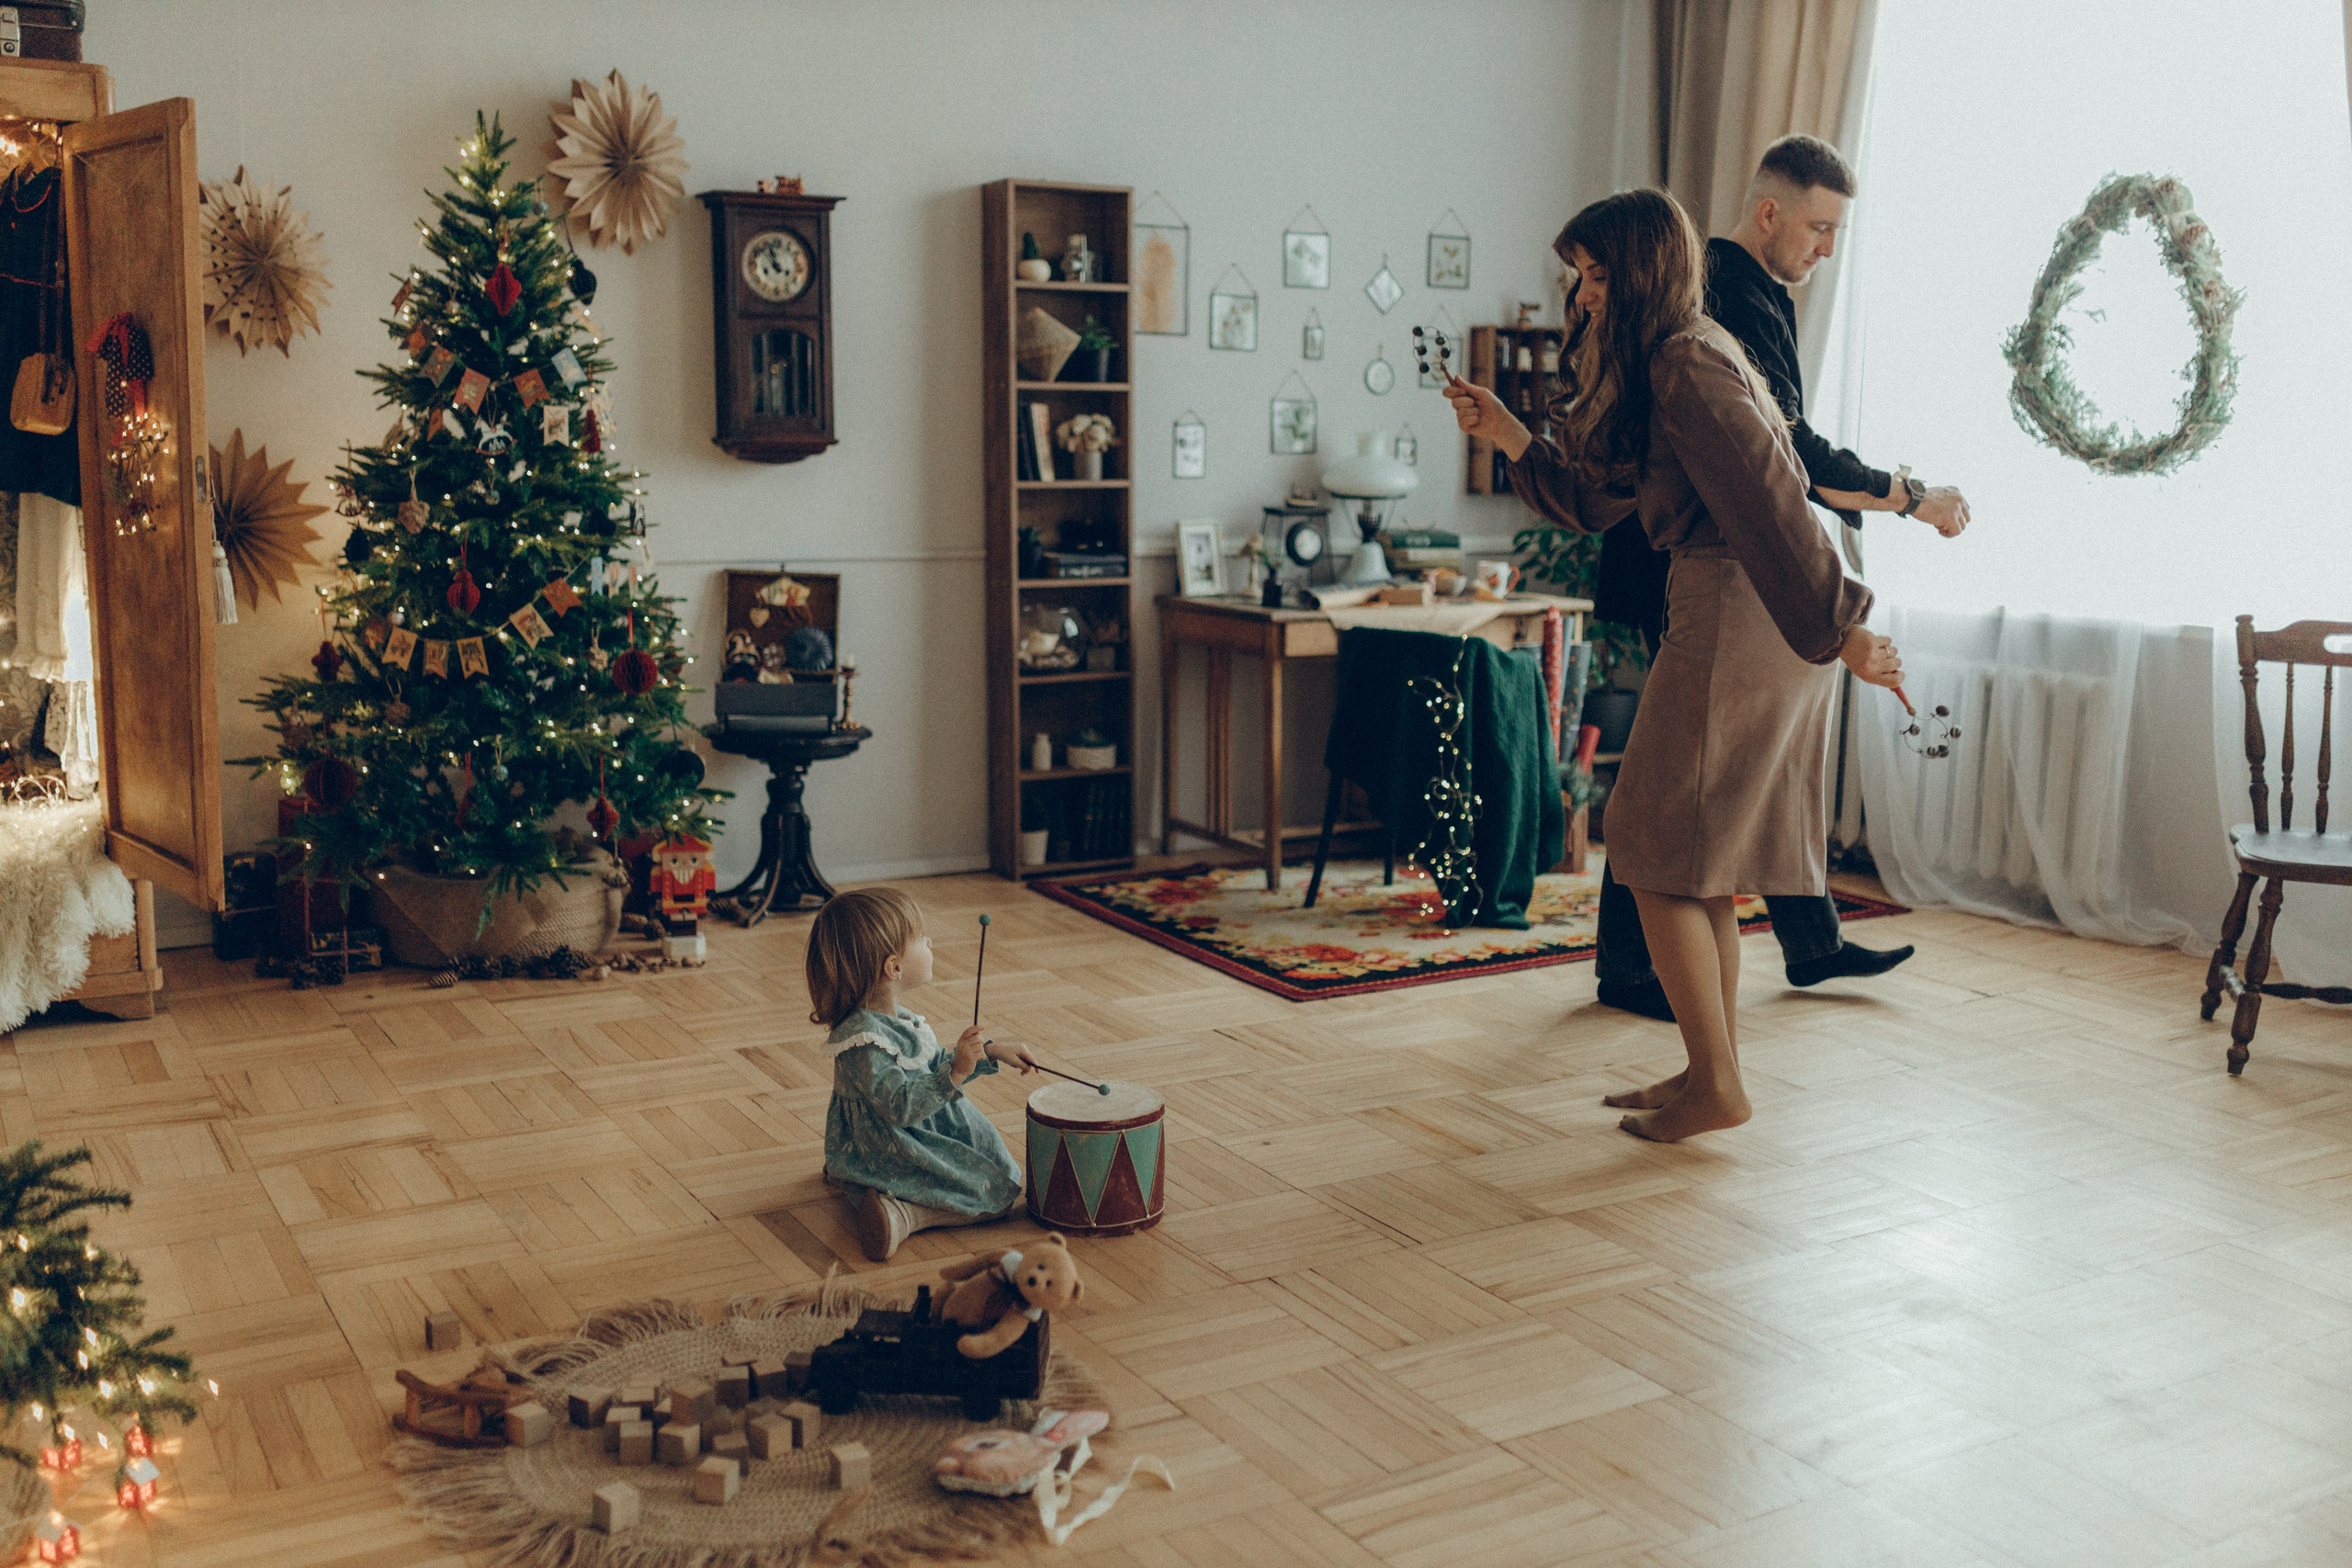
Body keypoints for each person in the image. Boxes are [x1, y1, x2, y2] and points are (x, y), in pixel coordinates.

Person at [1444, 188, 1903, 1142]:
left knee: (1649, 845)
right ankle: (1708, 1074)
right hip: (1744, 607)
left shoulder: (1688, 360)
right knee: (1692, 865)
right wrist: (1507, 435)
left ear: (1643, 271)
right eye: (1579, 275)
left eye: (1599, 274)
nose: (1583, 295)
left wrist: (1841, 627)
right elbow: (1600, 498)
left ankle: (1715, 1084)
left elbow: (1773, 501)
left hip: (1747, 609)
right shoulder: (1671, 363)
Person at [1589, 134, 1969, 1023]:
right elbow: (1783, 453)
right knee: (1672, 791)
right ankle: (1635, 970)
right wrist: (1908, 498)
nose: (1827, 249)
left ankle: (1807, 939)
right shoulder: (1728, 295)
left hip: (1728, 571)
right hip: (1697, 570)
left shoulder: (1753, 291)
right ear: (1769, 212)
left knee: (1737, 771)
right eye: (1819, 227)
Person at [807, 887, 1038, 1258]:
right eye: (919, 938)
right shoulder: (865, 1041)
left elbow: (928, 1068)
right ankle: (904, 1215)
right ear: (894, 967)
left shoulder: (894, 1019)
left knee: (993, 1171)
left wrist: (991, 1051)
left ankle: (854, 1166)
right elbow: (900, 1106)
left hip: (902, 1128)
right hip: (899, 1136)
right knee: (994, 1199)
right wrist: (956, 1073)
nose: (930, 942)